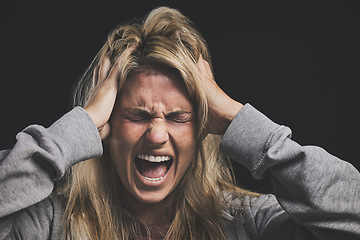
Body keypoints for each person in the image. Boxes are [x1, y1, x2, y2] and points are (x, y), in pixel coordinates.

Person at [0, 6, 359, 240]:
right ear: (106, 126)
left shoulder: (246, 224)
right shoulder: (50, 224)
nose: (157, 135)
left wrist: (238, 119)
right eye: (137, 115)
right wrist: (78, 126)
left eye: (178, 117)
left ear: (203, 125)